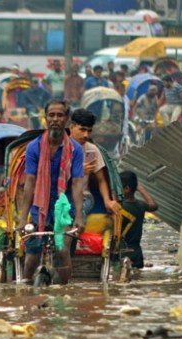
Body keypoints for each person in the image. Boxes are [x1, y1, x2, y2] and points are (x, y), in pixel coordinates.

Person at [17, 100, 84, 285]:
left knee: (62, 251)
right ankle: (26, 290)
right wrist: (23, 218)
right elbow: (30, 182)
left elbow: (78, 183)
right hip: (40, 207)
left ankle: (64, 291)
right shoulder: (34, 147)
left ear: (66, 119)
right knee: (32, 254)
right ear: (45, 118)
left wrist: (79, 215)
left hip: (64, 208)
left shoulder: (75, 150)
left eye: (60, 115)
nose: (55, 119)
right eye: (51, 115)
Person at [68, 109, 121, 223]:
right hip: (61, 195)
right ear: (72, 127)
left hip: (84, 197)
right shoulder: (60, 148)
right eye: (82, 130)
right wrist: (77, 171)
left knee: (77, 213)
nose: (86, 135)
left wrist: (107, 201)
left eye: (89, 131)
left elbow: (101, 180)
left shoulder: (91, 150)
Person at [119, 171, 158, 269]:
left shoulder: (119, 207)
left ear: (126, 189)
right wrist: (141, 189)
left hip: (122, 252)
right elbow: (154, 205)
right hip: (137, 253)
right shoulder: (141, 205)